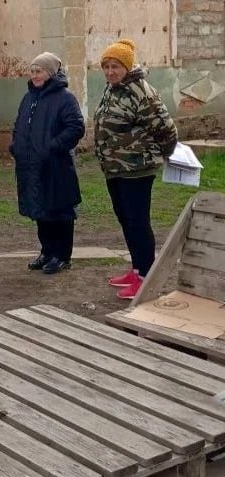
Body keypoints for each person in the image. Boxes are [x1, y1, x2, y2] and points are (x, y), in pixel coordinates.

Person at [94, 39, 177, 299]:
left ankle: (145, 279)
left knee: (138, 222)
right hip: (115, 168)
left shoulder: (141, 92)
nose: (110, 72)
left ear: (127, 67)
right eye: (106, 66)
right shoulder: (113, 89)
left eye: (115, 66)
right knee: (126, 221)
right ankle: (137, 269)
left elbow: (167, 130)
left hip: (137, 169)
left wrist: (158, 155)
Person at [10, 52, 85, 274]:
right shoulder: (29, 98)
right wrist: (16, 146)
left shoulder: (65, 98)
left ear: (50, 73)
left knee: (59, 211)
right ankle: (47, 251)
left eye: (39, 71)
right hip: (31, 165)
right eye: (32, 71)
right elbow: (19, 125)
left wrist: (52, 146)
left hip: (56, 165)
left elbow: (75, 127)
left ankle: (61, 256)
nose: (34, 75)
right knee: (40, 210)